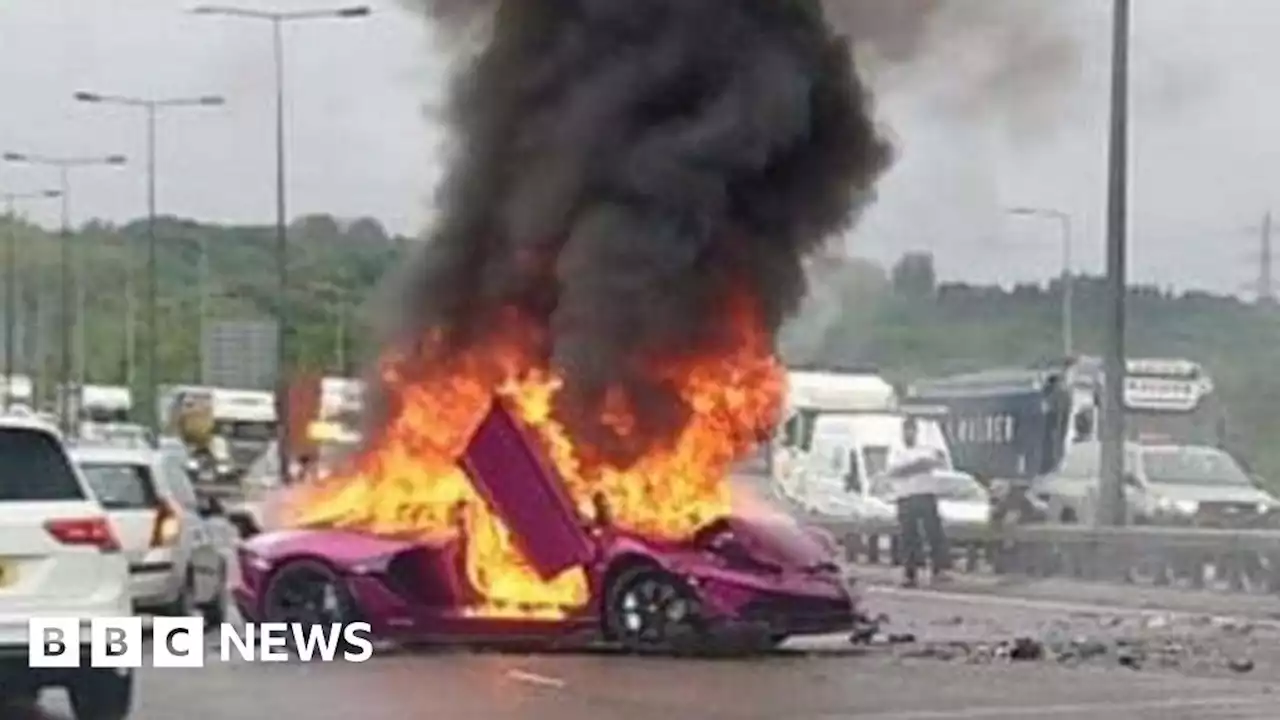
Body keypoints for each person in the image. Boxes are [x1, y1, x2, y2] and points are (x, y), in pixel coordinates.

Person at [884, 417, 951, 587]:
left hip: (925, 494)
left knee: (934, 533)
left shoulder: (926, 448)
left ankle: (939, 570)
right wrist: (916, 466)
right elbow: (892, 471)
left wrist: (912, 467)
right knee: (908, 537)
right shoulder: (896, 449)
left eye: (911, 431)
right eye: (906, 431)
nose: (909, 434)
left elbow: (939, 462)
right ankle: (910, 573)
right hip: (905, 496)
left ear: (916, 432)